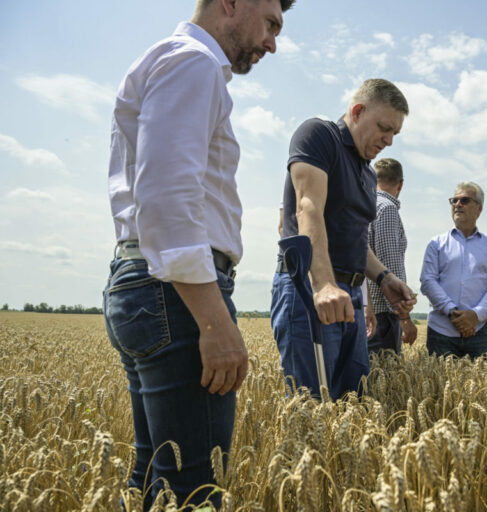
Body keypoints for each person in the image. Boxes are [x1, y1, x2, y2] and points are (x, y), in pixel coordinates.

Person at [104, 0, 294, 507]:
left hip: (146, 281)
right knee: (193, 491)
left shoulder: (169, 59)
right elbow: (166, 194)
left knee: (156, 480)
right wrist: (213, 322)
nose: (273, 42)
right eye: (272, 23)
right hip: (177, 294)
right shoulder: (194, 62)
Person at [271, 78, 416, 400]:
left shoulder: (366, 173)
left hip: (349, 295)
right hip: (309, 288)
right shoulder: (319, 135)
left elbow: (354, 239)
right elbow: (309, 207)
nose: (389, 140)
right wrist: (323, 284)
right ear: (358, 111)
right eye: (384, 128)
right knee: (312, 404)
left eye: (395, 133)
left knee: (352, 400)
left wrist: (384, 277)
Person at [420, 182, 487, 359]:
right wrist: (453, 313)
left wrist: (475, 315)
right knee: (439, 386)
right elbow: (428, 281)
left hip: (478, 331)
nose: (457, 205)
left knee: (483, 385)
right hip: (440, 332)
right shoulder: (436, 244)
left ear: (479, 209)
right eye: (454, 201)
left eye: (464, 200)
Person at [367, 158, 417, 355]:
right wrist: (404, 317)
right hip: (383, 314)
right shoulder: (386, 208)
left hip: (368, 310)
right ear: (401, 184)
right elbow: (390, 266)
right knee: (386, 378)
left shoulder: (365, 205)